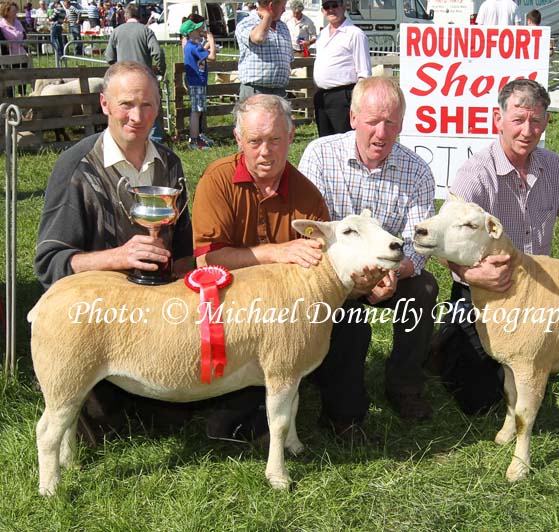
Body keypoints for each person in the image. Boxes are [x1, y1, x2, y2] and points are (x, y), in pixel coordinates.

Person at [433, 79, 559, 423]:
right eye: (518, 120)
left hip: (541, 286)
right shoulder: (476, 173)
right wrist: (471, 273)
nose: (527, 130)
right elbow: (443, 237)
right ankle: (447, 343)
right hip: (487, 289)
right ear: (497, 119)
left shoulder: (553, 166)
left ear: (545, 122)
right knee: (479, 400)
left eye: (535, 120)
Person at [191, 94, 380, 439]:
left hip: (291, 312)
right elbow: (208, 259)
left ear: (291, 137)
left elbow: (325, 266)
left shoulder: (308, 195)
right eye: (255, 141)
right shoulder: (217, 180)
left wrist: (361, 282)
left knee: (351, 322)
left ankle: (345, 417)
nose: (265, 151)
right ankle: (258, 403)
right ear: (238, 140)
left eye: (275, 140)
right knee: (223, 430)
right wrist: (276, 252)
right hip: (233, 313)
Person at [34, 61, 194, 446]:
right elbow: (48, 263)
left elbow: (185, 254)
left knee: (193, 402)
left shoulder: (170, 165)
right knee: (102, 424)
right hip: (96, 321)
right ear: (105, 104)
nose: (137, 117)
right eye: (126, 104)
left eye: (148, 106)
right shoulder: (76, 166)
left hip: (155, 318)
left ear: (159, 107)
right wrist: (117, 258)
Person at [299, 77, 439, 421]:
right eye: (373, 121)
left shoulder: (418, 171)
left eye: (390, 122)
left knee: (423, 289)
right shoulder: (320, 155)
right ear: (353, 118)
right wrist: (349, 277)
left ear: (402, 125)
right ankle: (312, 368)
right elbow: (309, 231)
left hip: (386, 272)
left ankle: (405, 384)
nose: (381, 132)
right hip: (332, 272)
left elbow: (418, 244)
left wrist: (393, 271)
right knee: (344, 318)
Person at [105, 3, 166, 141]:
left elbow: (108, 57)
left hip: (123, 81)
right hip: (143, 79)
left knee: (125, 110)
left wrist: (117, 67)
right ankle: (153, 142)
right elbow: (158, 52)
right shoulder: (146, 31)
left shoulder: (117, 31)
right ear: (140, 16)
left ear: (126, 16)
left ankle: (128, 140)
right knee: (150, 108)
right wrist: (161, 70)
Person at [312, 0, 371, 137]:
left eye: (335, 5)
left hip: (343, 97)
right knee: (325, 141)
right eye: (327, 7)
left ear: (344, 7)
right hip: (322, 96)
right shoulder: (322, 34)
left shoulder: (355, 34)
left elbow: (364, 73)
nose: (331, 10)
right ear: (323, 11)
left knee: (345, 139)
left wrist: (358, 102)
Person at [235, 0, 293, 100]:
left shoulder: (283, 27)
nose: (284, 10)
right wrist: (268, 16)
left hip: (279, 92)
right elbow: (258, 38)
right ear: (271, 6)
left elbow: (290, 58)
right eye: (282, 6)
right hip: (256, 91)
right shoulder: (247, 23)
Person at [181, 16, 216, 149]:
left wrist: (206, 45)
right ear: (190, 32)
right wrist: (211, 41)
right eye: (196, 29)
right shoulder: (194, 46)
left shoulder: (191, 46)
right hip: (197, 81)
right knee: (196, 111)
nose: (199, 30)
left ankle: (196, 138)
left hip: (194, 81)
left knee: (198, 110)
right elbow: (212, 57)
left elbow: (201, 53)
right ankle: (194, 140)